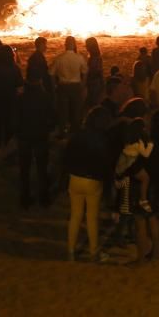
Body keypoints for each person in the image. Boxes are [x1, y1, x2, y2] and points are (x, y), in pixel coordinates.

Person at [63, 106, 112, 262]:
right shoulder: (103, 139)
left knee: (75, 215)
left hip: (75, 178)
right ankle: (93, 251)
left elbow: (67, 155)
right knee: (92, 217)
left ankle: (70, 250)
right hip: (93, 180)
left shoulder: (78, 135)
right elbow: (105, 163)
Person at [17, 75, 57, 209]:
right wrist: (48, 129)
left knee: (25, 169)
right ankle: (44, 198)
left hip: (24, 136)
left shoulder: (21, 98)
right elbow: (53, 116)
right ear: (40, 82)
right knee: (42, 168)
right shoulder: (45, 97)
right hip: (40, 135)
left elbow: (15, 116)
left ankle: (25, 198)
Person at [51, 36, 88, 135]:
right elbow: (85, 72)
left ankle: (62, 133)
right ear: (74, 45)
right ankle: (75, 133)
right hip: (76, 86)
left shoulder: (59, 58)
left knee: (63, 112)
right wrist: (83, 85)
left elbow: (51, 74)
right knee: (76, 111)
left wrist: (55, 85)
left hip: (62, 87)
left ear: (65, 45)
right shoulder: (79, 58)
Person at [85, 37, 104, 108]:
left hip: (94, 83)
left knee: (93, 103)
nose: (86, 47)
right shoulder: (96, 57)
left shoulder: (94, 58)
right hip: (95, 82)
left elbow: (97, 71)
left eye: (87, 45)